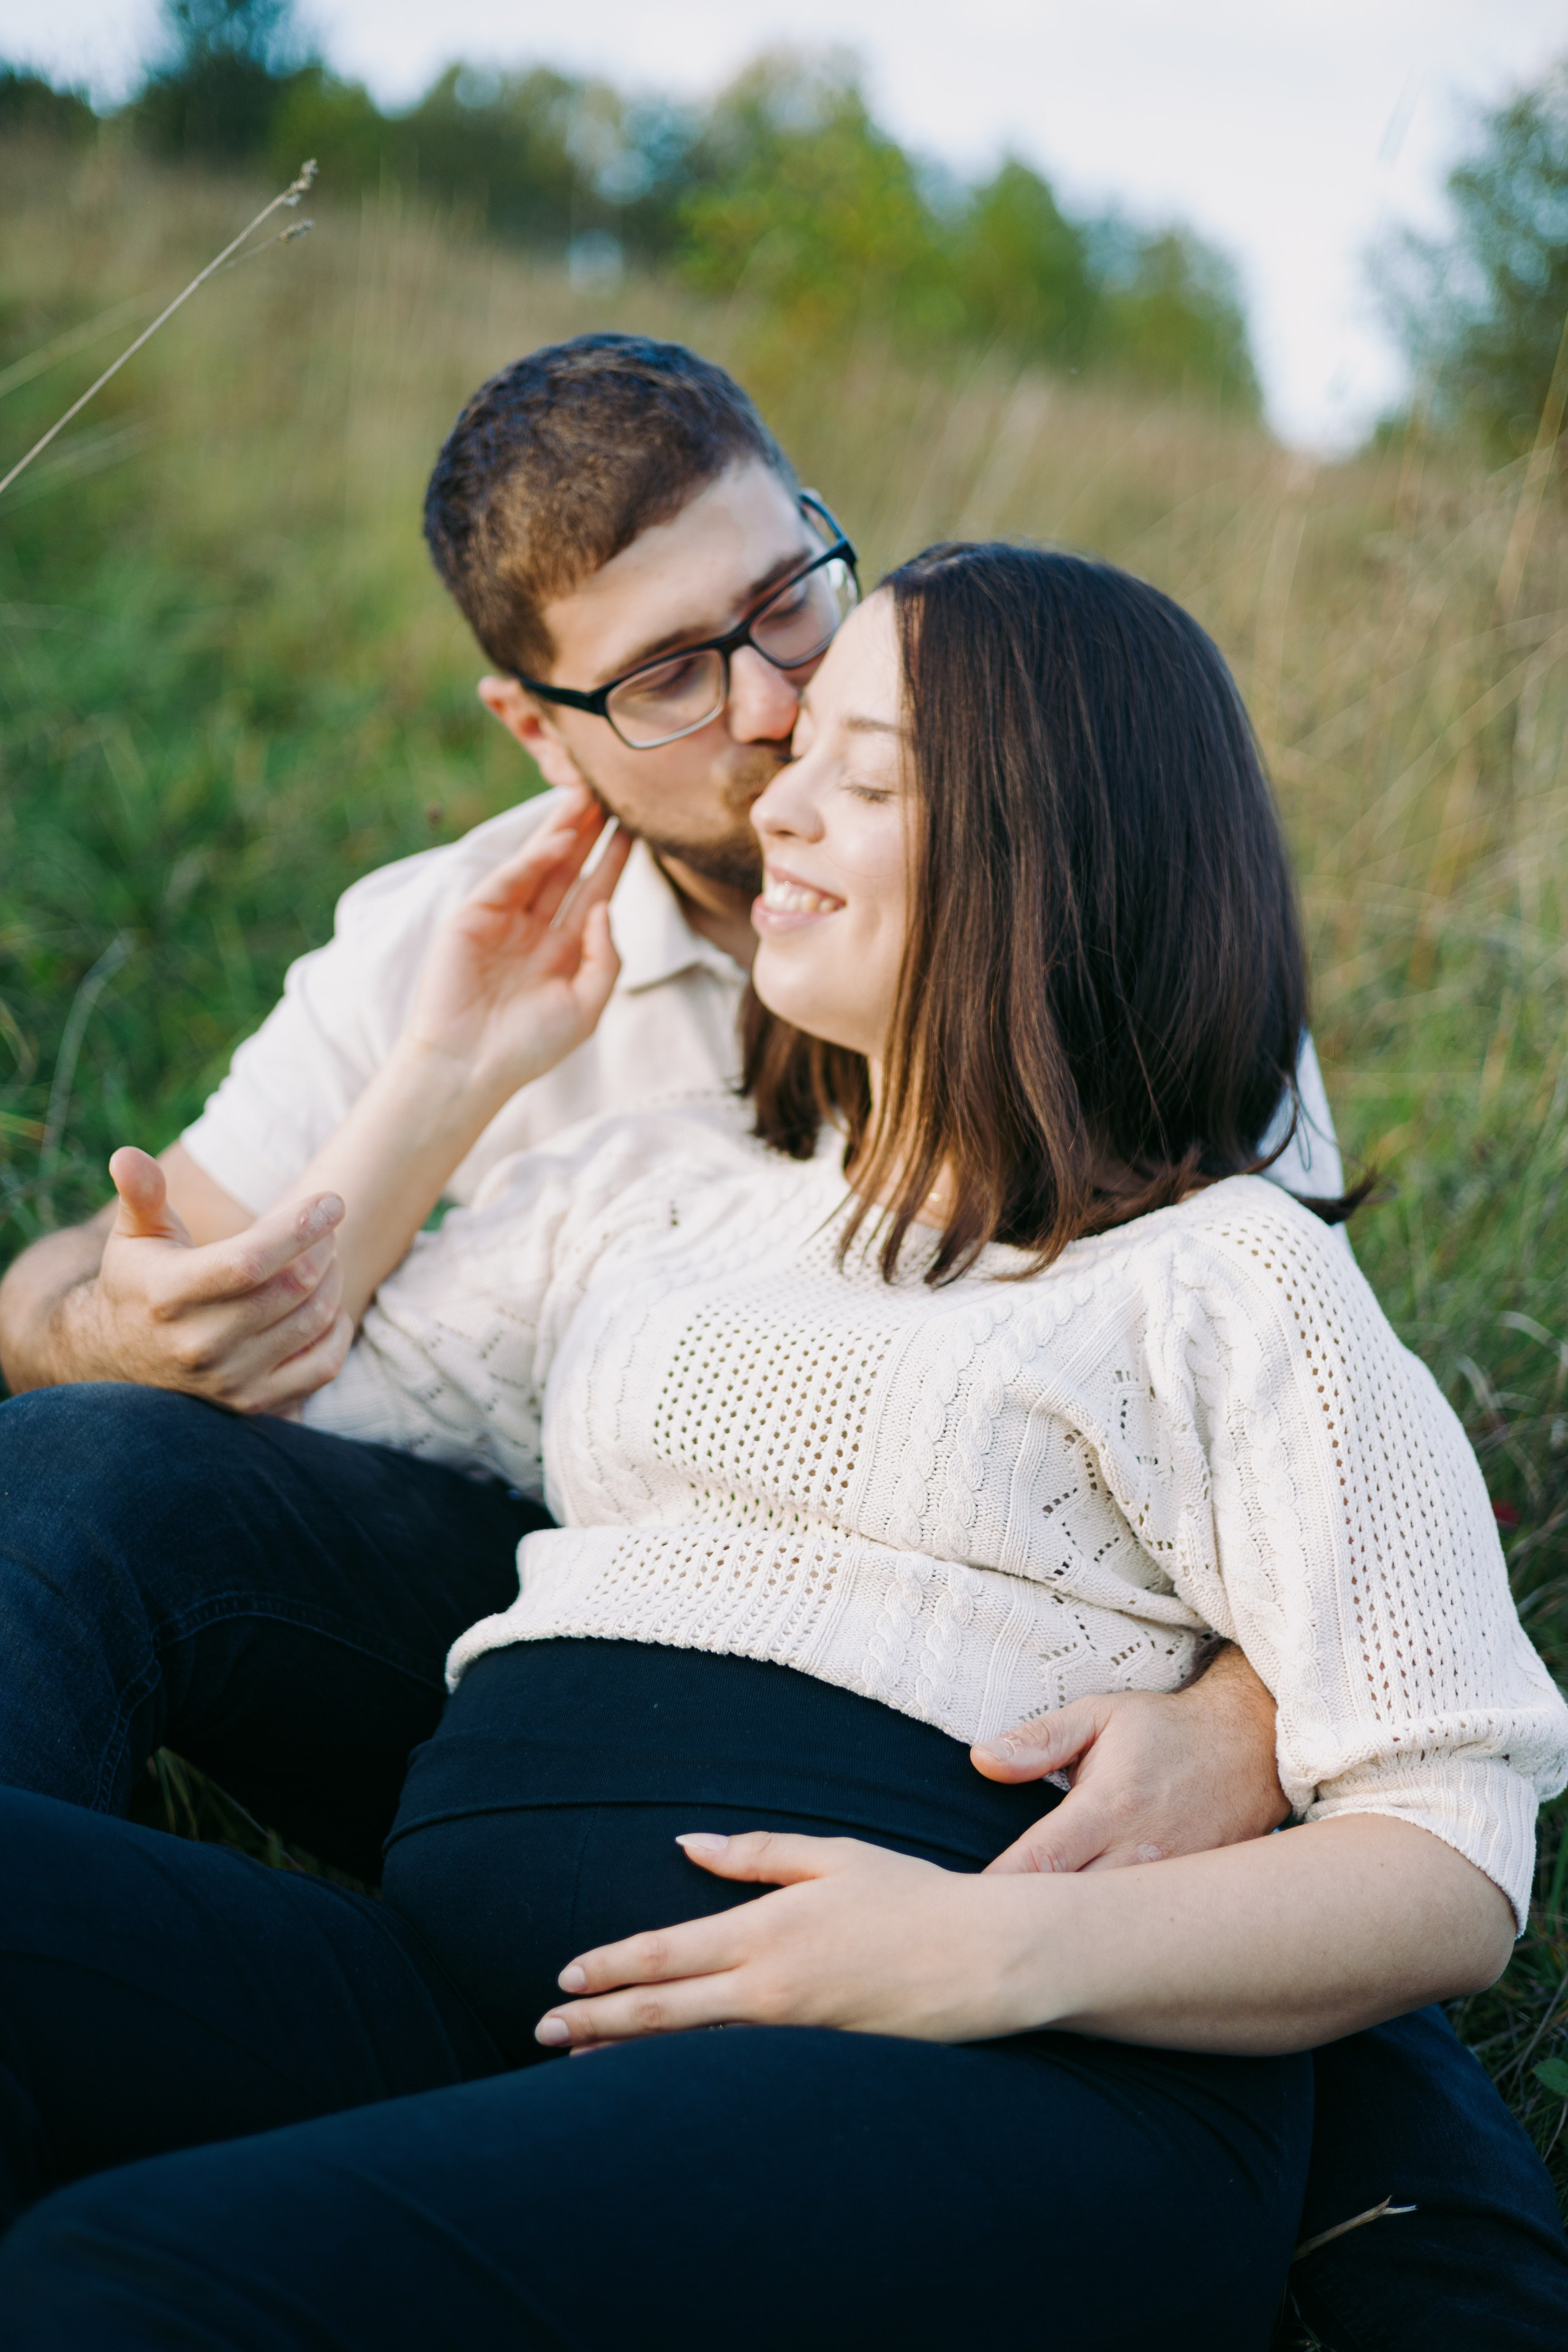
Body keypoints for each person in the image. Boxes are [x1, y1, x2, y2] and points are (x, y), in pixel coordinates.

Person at [0, 339, 1560, 2348]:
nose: (774, 741)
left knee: (124, 2283)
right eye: (676, 673)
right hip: (510, 1929)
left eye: (827, 692)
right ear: (541, 729)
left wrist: (1114, 1838)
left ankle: (1420, 2256)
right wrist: (447, 1079)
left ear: (1042, 850)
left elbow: (1399, 1720)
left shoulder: (1214, 1258)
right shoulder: (618, 1137)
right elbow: (174, 1406)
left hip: (971, 1942)